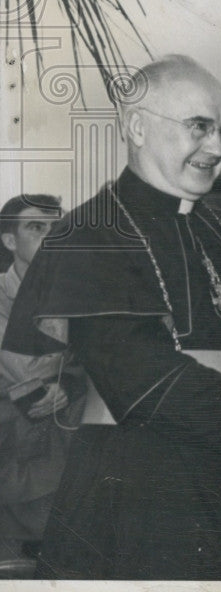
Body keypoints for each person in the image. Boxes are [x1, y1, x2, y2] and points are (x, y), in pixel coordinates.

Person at [2, 55, 221, 580]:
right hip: (142, 483)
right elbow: (137, 376)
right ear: (137, 126)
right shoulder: (89, 235)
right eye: (199, 128)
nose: (219, 148)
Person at [0, 195, 86, 560]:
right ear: (9, 240)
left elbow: (100, 362)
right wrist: (64, 376)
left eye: (58, 229)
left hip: (66, 425)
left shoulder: (79, 296)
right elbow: (21, 370)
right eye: (37, 228)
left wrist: (69, 382)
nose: (51, 238)